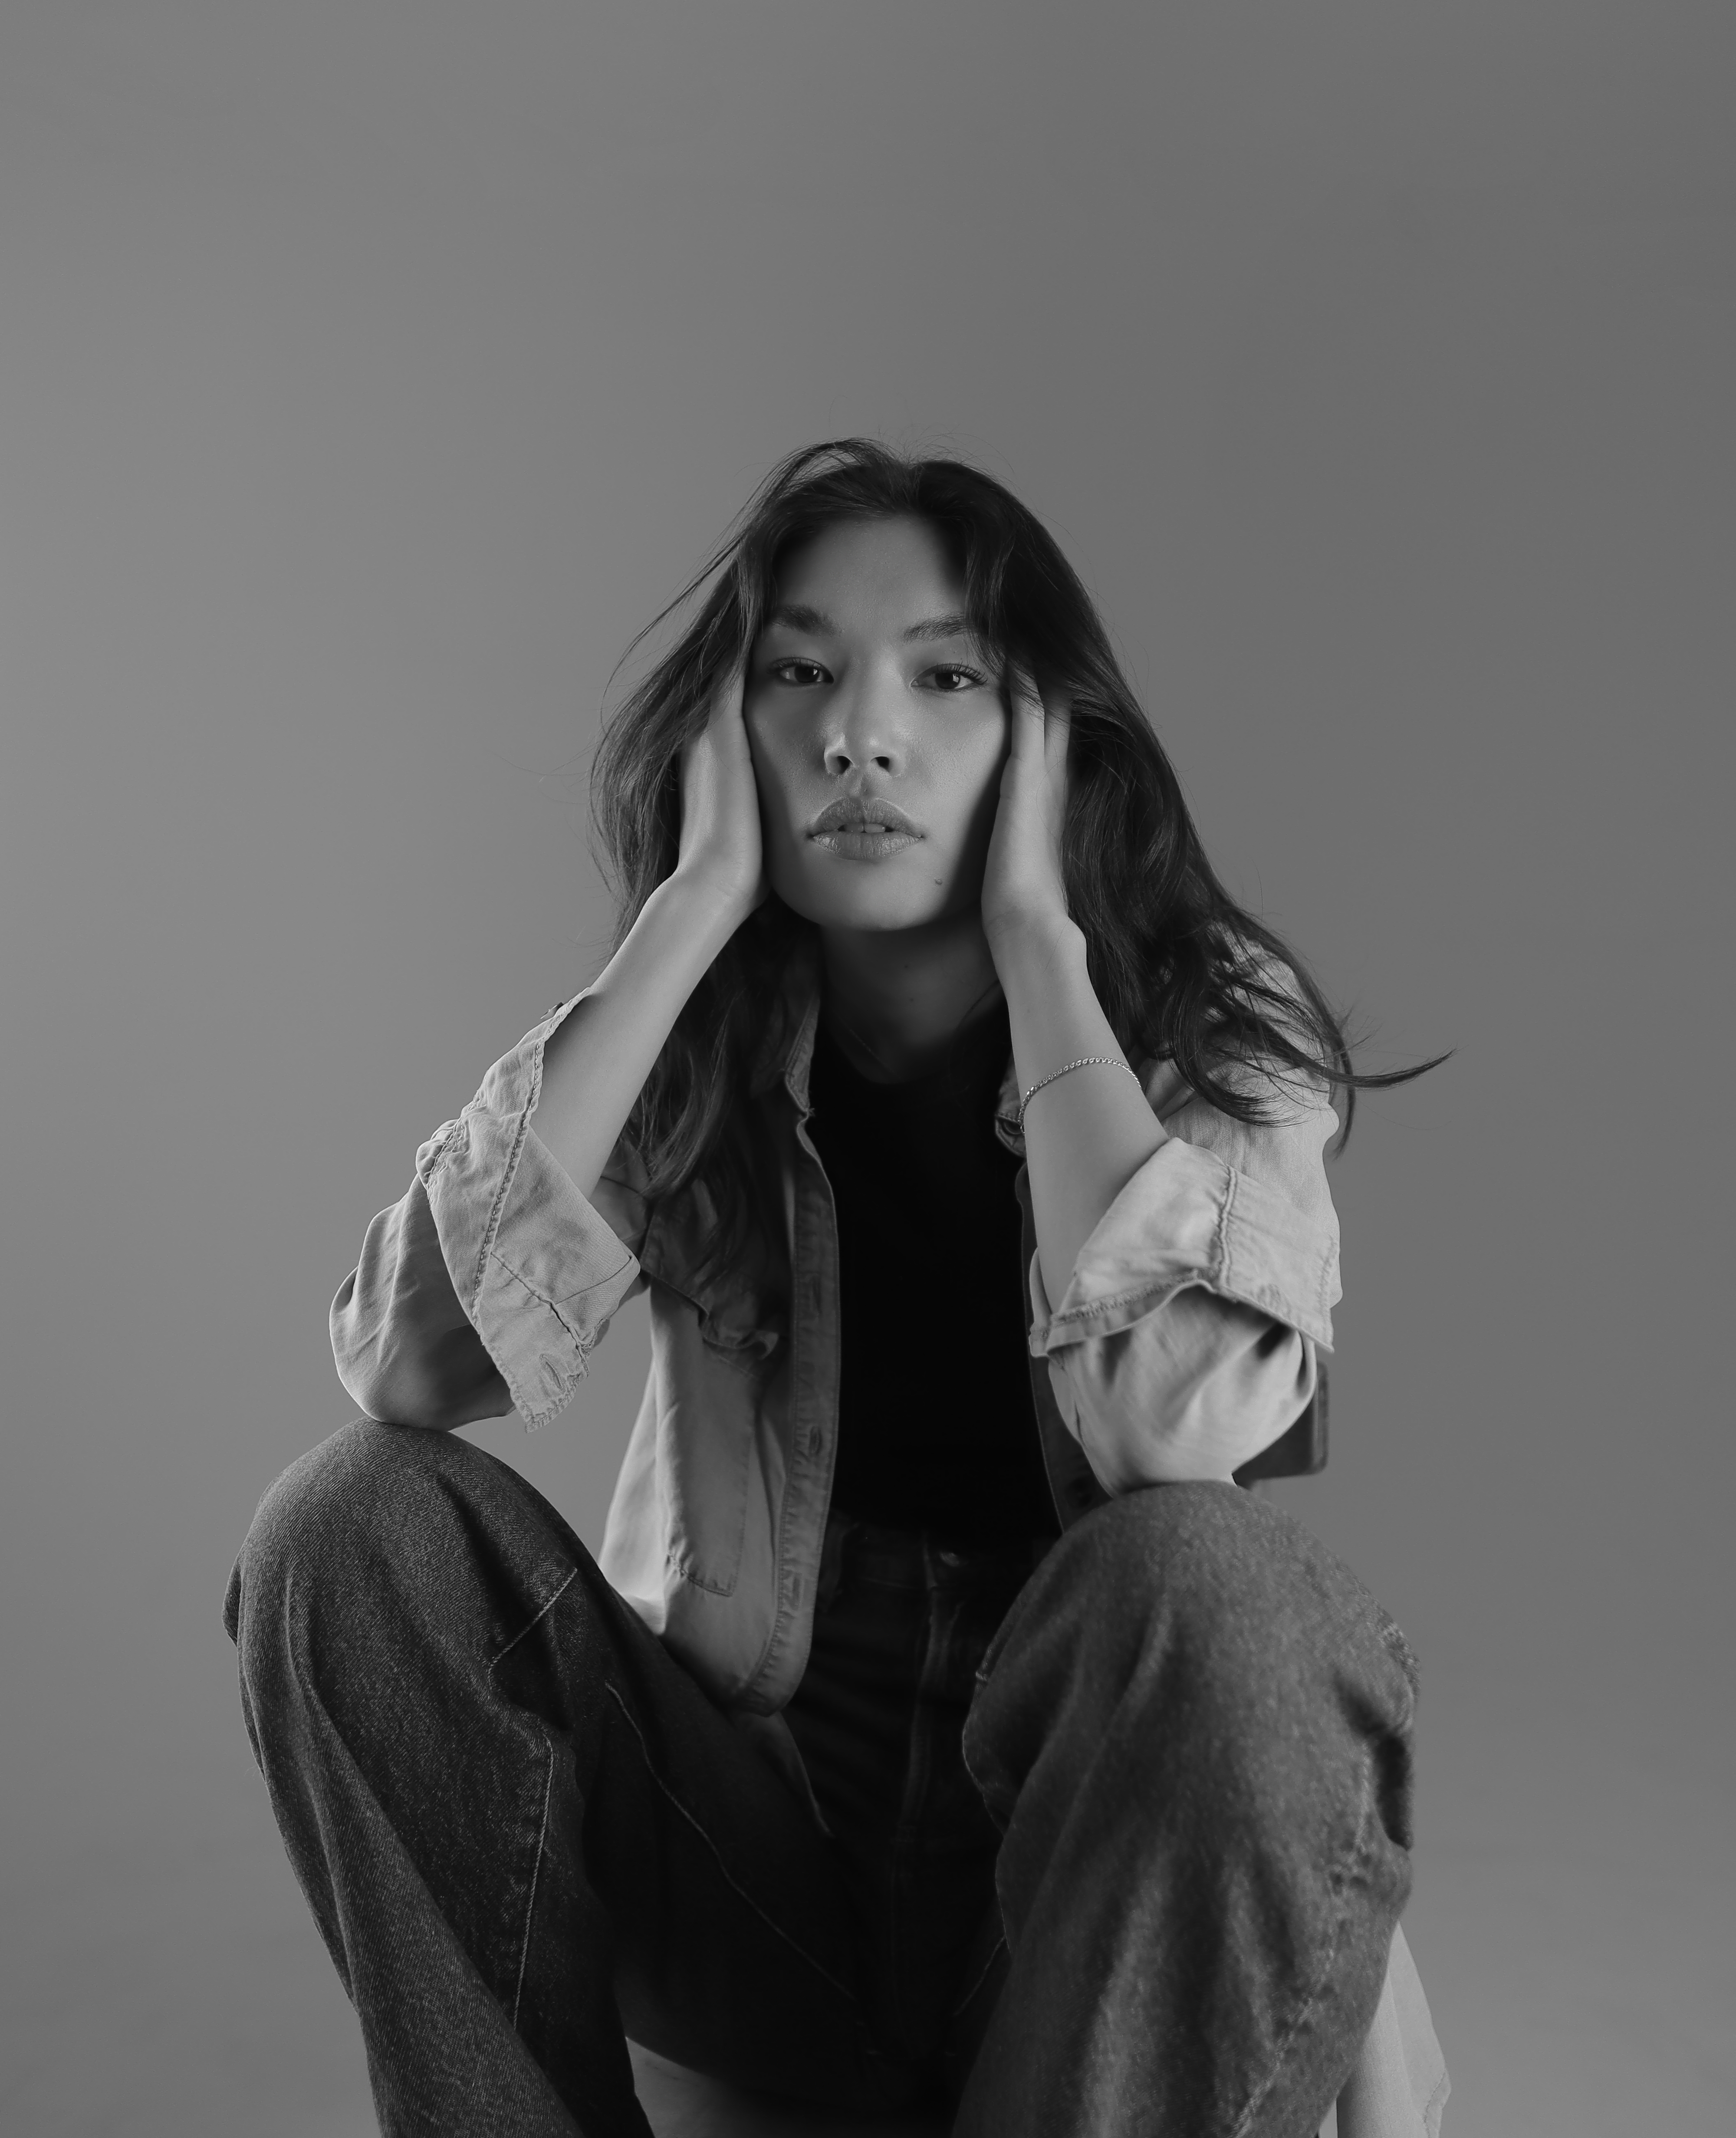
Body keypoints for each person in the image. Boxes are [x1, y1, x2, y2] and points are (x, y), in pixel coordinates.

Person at [226, 441, 1447, 2137]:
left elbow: (1173, 1421)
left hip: (1080, 1918)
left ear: (1042, 734)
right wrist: (684, 914)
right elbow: (409, 1363)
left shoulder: (1209, 1031)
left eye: (942, 676)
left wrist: (1039, 940)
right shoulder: (708, 1031)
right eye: (799, 672)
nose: (858, 732)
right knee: (345, 1520)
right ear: (735, 730)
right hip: (764, 1872)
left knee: (1222, 1579)